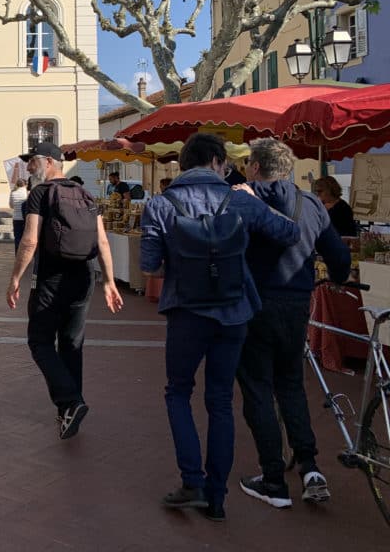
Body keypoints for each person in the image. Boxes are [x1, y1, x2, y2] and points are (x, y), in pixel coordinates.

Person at [140, 133, 300, 521]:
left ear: (183, 163)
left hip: (186, 313)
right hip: (234, 312)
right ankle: (217, 497)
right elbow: (289, 233)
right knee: (221, 402)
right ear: (216, 160)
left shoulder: (160, 205)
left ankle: (191, 479)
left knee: (178, 392)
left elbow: (150, 265)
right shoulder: (240, 199)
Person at [237, 138, 351, 508]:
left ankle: (272, 479)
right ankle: (309, 464)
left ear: (255, 166)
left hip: (253, 304)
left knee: (257, 389)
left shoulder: (242, 197)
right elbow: (338, 256)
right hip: (297, 303)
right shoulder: (312, 204)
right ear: (287, 169)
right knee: (290, 384)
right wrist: (337, 277)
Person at [6, 141, 123, 442]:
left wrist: (16, 277)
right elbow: (103, 242)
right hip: (84, 276)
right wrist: (108, 280)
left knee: (40, 341)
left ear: (48, 161)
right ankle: (70, 410)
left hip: (52, 277)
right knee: (71, 343)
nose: (29, 167)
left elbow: (30, 240)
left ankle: (70, 401)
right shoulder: (85, 193)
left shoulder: (40, 194)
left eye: (32, 161)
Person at [9, 178, 28, 253]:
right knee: (25, 237)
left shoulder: (13, 192)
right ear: (25, 184)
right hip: (25, 218)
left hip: (16, 218)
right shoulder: (27, 192)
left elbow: (11, 205)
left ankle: (17, 254)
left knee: (17, 238)